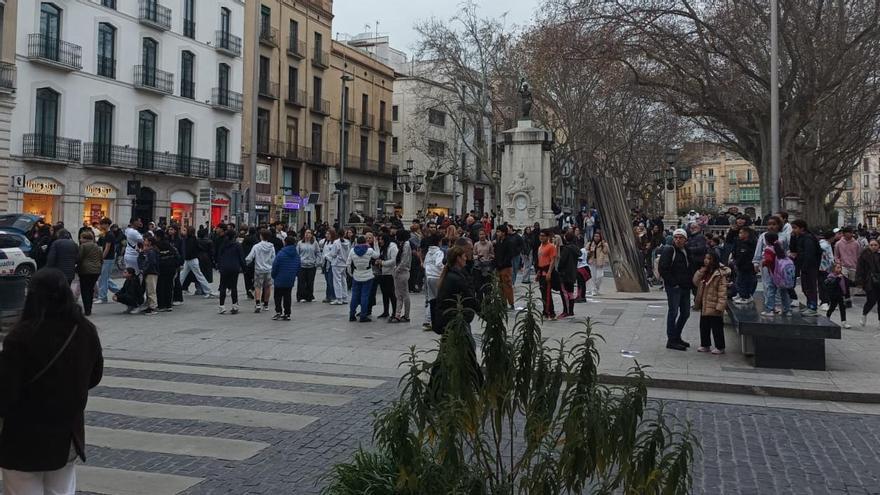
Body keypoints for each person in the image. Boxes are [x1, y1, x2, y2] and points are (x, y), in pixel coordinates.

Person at [0, 269, 103, 495]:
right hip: (66, 431)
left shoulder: (20, 337)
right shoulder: (85, 330)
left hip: (23, 435)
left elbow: (6, 392)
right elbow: (94, 376)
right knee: (61, 490)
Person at [658, 229, 693, 351]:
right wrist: (673, 283)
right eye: (676, 237)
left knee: (685, 313)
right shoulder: (669, 250)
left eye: (680, 237)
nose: (678, 239)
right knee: (673, 312)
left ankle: (676, 336)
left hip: (685, 286)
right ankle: (671, 340)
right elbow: (663, 268)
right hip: (674, 287)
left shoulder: (686, 251)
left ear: (685, 239)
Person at [693, 252, 730, 354]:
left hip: (714, 304)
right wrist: (700, 271)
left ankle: (720, 346)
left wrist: (720, 305)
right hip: (704, 303)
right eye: (705, 258)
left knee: (717, 327)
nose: (706, 260)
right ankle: (705, 344)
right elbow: (695, 282)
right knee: (704, 326)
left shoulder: (719, 274)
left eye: (709, 258)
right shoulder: (705, 272)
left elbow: (722, 292)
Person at [790, 219, 821, 316]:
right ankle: (809, 305)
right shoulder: (799, 237)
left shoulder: (808, 238)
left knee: (810, 287)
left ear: (802, 228)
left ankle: (812, 307)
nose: (793, 230)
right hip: (803, 266)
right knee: (805, 288)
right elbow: (793, 249)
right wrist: (792, 237)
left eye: (795, 228)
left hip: (810, 267)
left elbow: (809, 254)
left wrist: (805, 266)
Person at [347, 235, 380, 322]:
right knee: (365, 296)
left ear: (357, 242)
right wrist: (376, 245)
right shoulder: (369, 250)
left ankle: (351, 315)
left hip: (357, 274)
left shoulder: (352, 251)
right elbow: (377, 256)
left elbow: (348, 263)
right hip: (368, 275)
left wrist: (351, 273)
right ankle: (363, 316)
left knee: (354, 296)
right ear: (365, 242)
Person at [760, 232, 793, 317]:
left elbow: (769, 260)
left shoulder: (768, 249)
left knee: (771, 291)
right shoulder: (779, 247)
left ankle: (769, 310)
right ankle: (787, 310)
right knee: (784, 292)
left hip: (773, 273)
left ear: (766, 240)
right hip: (782, 274)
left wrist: (763, 263)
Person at [271, 236, 301, 321]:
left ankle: (278, 312)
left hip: (280, 278)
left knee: (277, 296)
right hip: (290, 278)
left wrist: (274, 275)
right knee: (287, 296)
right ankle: (287, 313)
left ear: (286, 242)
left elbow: (275, 266)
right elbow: (298, 266)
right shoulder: (296, 254)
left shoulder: (281, 253)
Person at [246, 229, 277, 313]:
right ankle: (266, 305)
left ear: (261, 236)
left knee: (257, 286)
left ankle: (258, 303)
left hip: (258, 269)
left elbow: (250, 257)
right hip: (268, 269)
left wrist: (245, 263)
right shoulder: (271, 247)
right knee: (267, 287)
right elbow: (274, 258)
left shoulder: (257, 246)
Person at [179, 226, 215, 298]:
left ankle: (208, 291)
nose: (183, 231)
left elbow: (189, 250)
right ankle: (208, 291)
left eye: (185, 230)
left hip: (191, 260)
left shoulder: (191, 239)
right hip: (190, 260)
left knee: (197, 276)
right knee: (183, 275)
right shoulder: (190, 239)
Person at [216, 229, 246, 314]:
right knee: (233, 287)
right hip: (234, 267)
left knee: (223, 286)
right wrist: (244, 268)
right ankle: (234, 305)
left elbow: (219, 256)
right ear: (234, 237)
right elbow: (241, 258)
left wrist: (219, 266)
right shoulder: (237, 245)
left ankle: (221, 306)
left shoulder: (223, 245)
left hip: (224, 267)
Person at [77, 231, 103, 316]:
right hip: (96, 271)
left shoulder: (83, 246)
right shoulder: (97, 246)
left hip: (85, 271)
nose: (80, 239)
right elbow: (101, 259)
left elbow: (79, 258)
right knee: (91, 289)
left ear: (85, 238)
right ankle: (90, 308)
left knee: (85, 290)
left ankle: (87, 309)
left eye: (81, 238)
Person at [423, 234, 445, 330]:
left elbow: (424, 264)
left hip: (429, 277)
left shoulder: (428, 253)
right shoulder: (439, 252)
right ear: (438, 242)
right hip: (437, 277)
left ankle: (427, 320)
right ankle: (438, 320)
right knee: (439, 299)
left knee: (431, 299)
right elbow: (439, 263)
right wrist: (445, 269)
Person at [835, 227, 861, 308]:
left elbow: (859, 255)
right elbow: (836, 255)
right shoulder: (838, 243)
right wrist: (838, 263)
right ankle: (845, 300)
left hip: (854, 266)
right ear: (844, 233)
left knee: (853, 285)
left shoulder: (856, 243)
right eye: (848, 232)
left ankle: (849, 300)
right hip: (843, 267)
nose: (849, 234)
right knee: (843, 284)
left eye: (851, 232)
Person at [556, 231, 581, 319]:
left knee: (564, 293)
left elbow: (562, 261)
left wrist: (558, 269)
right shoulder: (576, 248)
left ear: (566, 238)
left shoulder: (566, 249)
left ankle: (566, 311)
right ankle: (571, 311)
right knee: (570, 293)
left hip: (565, 273)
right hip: (572, 272)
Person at [856, 238, 880, 327]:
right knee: (871, 300)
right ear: (868, 246)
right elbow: (859, 269)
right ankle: (864, 314)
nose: (873, 247)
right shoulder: (864, 255)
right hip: (869, 281)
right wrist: (859, 281)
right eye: (871, 245)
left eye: (875, 245)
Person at [95, 218, 119, 304]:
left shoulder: (109, 235)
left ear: (106, 224)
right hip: (109, 258)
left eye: (102, 224)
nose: (100, 226)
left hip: (108, 259)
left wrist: (102, 258)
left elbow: (107, 248)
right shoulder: (108, 234)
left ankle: (103, 297)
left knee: (103, 278)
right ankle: (120, 292)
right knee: (106, 278)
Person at [154, 232, 179, 313]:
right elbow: (175, 255)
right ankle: (168, 305)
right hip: (171, 268)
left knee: (160, 287)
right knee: (169, 286)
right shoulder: (169, 244)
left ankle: (161, 305)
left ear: (158, 237)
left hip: (161, 268)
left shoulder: (156, 245)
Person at [536, 230, 558, 319]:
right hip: (541, 271)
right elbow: (539, 260)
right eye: (540, 235)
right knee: (543, 293)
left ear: (548, 237)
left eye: (543, 236)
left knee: (547, 293)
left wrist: (549, 272)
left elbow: (553, 260)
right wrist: (538, 273)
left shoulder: (551, 247)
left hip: (547, 271)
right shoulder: (540, 246)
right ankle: (545, 311)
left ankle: (550, 312)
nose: (541, 237)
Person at [376, 234, 398, 319]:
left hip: (390, 273)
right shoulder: (383, 248)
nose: (380, 241)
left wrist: (382, 263)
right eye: (379, 239)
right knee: (384, 294)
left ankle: (394, 312)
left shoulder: (392, 247)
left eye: (381, 239)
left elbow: (394, 260)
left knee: (391, 294)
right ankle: (385, 311)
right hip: (383, 273)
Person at [392, 229, 412, 323]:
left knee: (403, 294)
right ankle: (398, 314)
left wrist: (397, 269)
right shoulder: (404, 244)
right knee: (400, 294)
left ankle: (403, 315)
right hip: (402, 271)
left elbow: (404, 260)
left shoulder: (406, 245)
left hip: (402, 272)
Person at [296, 230, 319, 303]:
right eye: (306, 233)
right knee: (301, 282)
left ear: (312, 235)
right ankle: (301, 296)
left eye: (309, 233)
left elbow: (318, 253)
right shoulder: (300, 243)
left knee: (310, 281)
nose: (307, 234)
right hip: (302, 265)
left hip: (311, 265)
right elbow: (297, 253)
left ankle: (310, 296)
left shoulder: (315, 243)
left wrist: (316, 262)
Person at [825, 262, 850, 328]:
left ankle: (844, 322)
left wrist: (857, 283)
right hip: (834, 296)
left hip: (841, 295)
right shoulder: (830, 277)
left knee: (842, 308)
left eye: (840, 268)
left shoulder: (842, 276)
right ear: (833, 269)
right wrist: (838, 278)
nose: (840, 269)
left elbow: (848, 282)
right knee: (832, 307)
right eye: (838, 268)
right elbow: (833, 284)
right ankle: (828, 316)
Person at [138, 237, 159, 316]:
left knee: (151, 290)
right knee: (149, 290)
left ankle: (153, 307)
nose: (144, 242)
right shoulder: (149, 251)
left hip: (151, 272)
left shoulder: (151, 252)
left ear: (150, 242)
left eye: (145, 241)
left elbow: (151, 263)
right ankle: (150, 305)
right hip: (149, 272)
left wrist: (144, 269)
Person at [330, 231, 351, 305]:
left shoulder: (336, 242)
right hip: (344, 263)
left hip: (336, 263)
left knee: (337, 281)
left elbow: (333, 254)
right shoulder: (347, 242)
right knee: (343, 280)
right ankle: (345, 297)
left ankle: (339, 298)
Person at [586, 231, 609, 296]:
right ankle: (594, 290)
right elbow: (586, 251)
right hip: (592, 261)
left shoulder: (603, 244)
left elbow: (606, 252)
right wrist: (590, 251)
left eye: (598, 236)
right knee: (593, 277)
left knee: (600, 276)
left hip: (600, 262)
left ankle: (596, 288)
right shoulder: (590, 243)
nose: (596, 237)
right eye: (595, 236)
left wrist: (605, 245)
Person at [818, 231, 836, 311]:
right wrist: (832, 265)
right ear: (831, 237)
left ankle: (825, 301)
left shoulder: (825, 244)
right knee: (824, 285)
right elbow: (827, 257)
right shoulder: (824, 246)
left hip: (824, 268)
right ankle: (825, 301)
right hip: (824, 268)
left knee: (823, 284)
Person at [320, 229, 337, 303]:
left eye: (328, 234)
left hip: (331, 263)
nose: (327, 235)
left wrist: (327, 256)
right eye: (326, 234)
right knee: (327, 281)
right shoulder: (325, 243)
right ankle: (328, 296)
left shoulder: (334, 243)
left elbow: (333, 254)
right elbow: (323, 252)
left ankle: (333, 296)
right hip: (325, 263)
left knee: (331, 281)